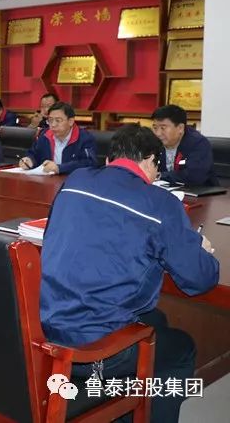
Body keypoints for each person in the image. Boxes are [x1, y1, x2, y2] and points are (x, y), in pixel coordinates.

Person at [40, 124, 218, 423]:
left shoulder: (75, 180)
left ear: (110, 159)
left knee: (156, 320)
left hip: (47, 326)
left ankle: (122, 407)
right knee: (181, 348)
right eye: (157, 170)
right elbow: (199, 279)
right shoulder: (161, 203)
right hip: (94, 347)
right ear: (150, 160)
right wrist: (199, 249)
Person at [19, 102, 96, 174]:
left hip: (72, 181)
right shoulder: (44, 135)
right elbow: (34, 154)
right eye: (50, 120)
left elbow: (90, 163)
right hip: (47, 180)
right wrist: (30, 160)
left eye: (58, 120)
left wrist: (60, 168)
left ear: (70, 121)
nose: (53, 125)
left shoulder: (84, 138)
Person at [151, 104, 218, 186]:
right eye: (155, 128)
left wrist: (161, 175)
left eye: (163, 128)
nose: (158, 133)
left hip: (200, 191)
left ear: (180, 128)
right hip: (166, 189)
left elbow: (194, 176)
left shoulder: (198, 143)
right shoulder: (154, 142)